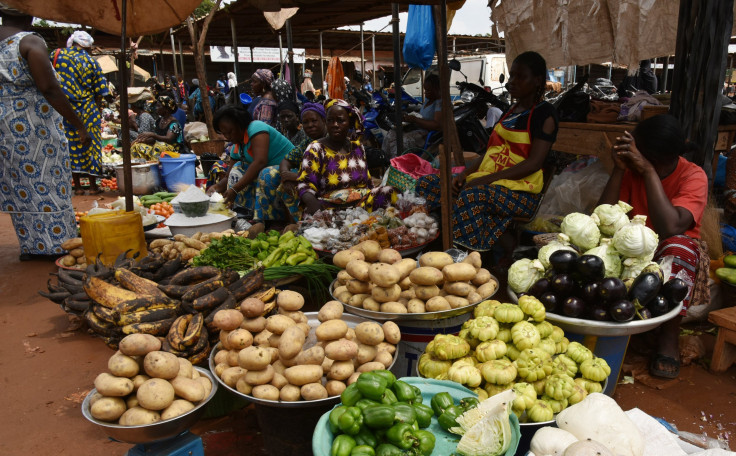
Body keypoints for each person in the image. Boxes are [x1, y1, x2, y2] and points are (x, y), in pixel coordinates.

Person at [598, 114, 707, 379]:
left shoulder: (693, 176)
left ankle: (669, 335)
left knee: (679, 248)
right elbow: (604, 215)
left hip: (669, 253)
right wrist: (620, 169)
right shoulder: (631, 171)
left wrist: (647, 172)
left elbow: (671, 226)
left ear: (656, 160)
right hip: (631, 249)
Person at [415, 51, 559, 252]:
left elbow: (533, 163)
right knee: (428, 184)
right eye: (512, 76)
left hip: (521, 191)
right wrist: (465, 174)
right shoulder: (511, 111)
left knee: (473, 195)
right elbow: (490, 153)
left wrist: (483, 180)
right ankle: (434, 240)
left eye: (520, 76)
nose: (512, 82)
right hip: (493, 182)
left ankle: (464, 256)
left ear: (536, 81)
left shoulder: (545, 115)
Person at [0, 6, 91, 259]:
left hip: (5, 130)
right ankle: (56, 246)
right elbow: (49, 87)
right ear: (28, 12)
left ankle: (31, 246)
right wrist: (79, 124)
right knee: (48, 183)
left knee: (20, 186)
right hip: (34, 129)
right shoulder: (29, 41)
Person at [297, 99, 396, 216]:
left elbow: (368, 184)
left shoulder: (357, 147)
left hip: (361, 205)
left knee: (391, 192)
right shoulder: (316, 149)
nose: (335, 125)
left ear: (349, 123)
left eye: (340, 120)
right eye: (330, 120)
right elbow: (305, 185)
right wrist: (319, 212)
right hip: (330, 208)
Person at [208, 106, 297, 222]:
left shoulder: (256, 128)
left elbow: (260, 162)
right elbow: (229, 175)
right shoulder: (237, 146)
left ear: (239, 124)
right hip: (272, 176)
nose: (228, 137)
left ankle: (270, 220)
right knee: (237, 168)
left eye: (230, 132)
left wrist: (235, 189)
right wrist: (216, 187)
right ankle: (242, 213)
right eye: (224, 134)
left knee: (266, 173)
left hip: (290, 172)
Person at [51, 30, 109, 195]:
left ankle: (76, 187)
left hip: (65, 109)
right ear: (88, 46)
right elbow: (100, 92)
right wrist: (96, 111)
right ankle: (92, 186)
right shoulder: (92, 62)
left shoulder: (57, 55)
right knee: (91, 146)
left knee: (70, 145)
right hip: (88, 110)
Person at [279, 102, 328, 220]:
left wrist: (297, 176)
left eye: (314, 121)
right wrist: (285, 176)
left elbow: (328, 177)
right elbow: (286, 160)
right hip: (308, 180)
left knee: (299, 186)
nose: (310, 125)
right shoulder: (308, 141)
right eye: (305, 122)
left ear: (323, 120)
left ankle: (303, 222)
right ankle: (293, 223)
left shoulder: (332, 139)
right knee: (279, 180)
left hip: (327, 186)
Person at [382, 74, 442, 157]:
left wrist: (415, 120)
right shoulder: (429, 99)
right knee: (390, 134)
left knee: (400, 143)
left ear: (437, 90)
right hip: (415, 128)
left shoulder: (440, 103)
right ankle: (386, 160)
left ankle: (396, 164)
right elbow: (422, 115)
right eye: (425, 90)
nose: (425, 92)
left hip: (425, 134)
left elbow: (436, 125)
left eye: (428, 90)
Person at [131, 96, 185, 160]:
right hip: (159, 147)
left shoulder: (174, 124)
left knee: (159, 146)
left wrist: (152, 135)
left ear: (166, 109)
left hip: (173, 150)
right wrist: (142, 140)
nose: (156, 108)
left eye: (159, 106)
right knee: (137, 146)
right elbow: (155, 139)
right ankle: (142, 167)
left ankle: (155, 167)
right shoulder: (158, 121)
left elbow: (168, 139)